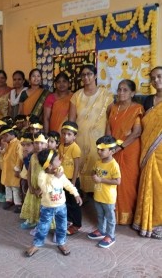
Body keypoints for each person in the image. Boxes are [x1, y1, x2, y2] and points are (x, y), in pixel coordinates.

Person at [25, 149, 82, 257]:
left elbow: (67, 184)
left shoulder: (60, 171)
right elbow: (46, 189)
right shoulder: (42, 175)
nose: (60, 161)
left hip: (61, 206)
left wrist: (76, 194)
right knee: (43, 226)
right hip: (47, 207)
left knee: (62, 226)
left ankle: (61, 242)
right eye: (57, 160)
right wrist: (56, 178)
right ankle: (37, 244)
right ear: (50, 166)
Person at [69, 64, 114, 193]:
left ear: (95, 76)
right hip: (80, 138)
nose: (86, 77)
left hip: (99, 139)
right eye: (83, 75)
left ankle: (96, 193)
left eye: (89, 74)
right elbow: (71, 120)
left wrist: (108, 140)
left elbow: (111, 119)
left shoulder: (106, 95)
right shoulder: (76, 96)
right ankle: (81, 192)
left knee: (97, 163)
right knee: (79, 164)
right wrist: (71, 138)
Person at [107, 79, 144, 225]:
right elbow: (108, 127)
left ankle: (127, 215)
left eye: (125, 90)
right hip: (114, 149)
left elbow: (136, 132)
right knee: (113, 181)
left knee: (127, 182)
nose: (121, 93)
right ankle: (114, 215)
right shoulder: (113, 108)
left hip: (130, 150)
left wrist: (120, 147)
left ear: (132, 93)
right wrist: (108, 145)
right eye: (119, 89)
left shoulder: (137, 108)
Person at [133, 66, 162, 240]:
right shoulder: (148, 101)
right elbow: (143, 123)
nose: (156, 80)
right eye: (153, 78)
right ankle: (147, 222)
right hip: (148, 148)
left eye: (159, 76)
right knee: (148, 183)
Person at [87, 135, 121, 249]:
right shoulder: (98, 162)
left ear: (112, 151)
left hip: (108, 198)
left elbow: (118, 181)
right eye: (98, 149)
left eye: (102, 150)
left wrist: (101, 179)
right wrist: (93, 175)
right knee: (100, 215)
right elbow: (93, 171)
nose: (99, 152)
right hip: (98, 195)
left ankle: (110, 236)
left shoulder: (113, 165)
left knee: (110, 218)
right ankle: (101, 231)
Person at [20, 132, 48, 230]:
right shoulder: (32, 156)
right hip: (33, 185)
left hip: (43, 188)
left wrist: (41, 189)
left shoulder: (47, 158)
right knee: (32, 204)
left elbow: (49, 175)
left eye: (41, 143)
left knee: (42, 206)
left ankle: (41, 223)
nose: (39, 145)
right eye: (36, 143)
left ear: (46, 144)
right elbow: (29, 172)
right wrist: (30, 186)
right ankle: (32, 220)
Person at [58, 121, 82, 235]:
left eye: (69, 134)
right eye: (63, 134)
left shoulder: (75, 148)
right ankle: (69, 220)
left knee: (74, 203)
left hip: (72, 180)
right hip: (63, 178)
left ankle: (77, 224)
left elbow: (77, 166)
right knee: (65, 201)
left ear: (74, 136)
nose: (65, 136)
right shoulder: (61, 146)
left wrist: (73, 182)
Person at [0, 125, 23, 213]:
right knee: (7, 185)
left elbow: (19, 158)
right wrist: (3, 147)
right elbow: (4, 154)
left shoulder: (18, 144)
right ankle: (9, 200)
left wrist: (17, 169)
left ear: (7, 135)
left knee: (15, 187)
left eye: (4, 137)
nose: (3, 139)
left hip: (14, 170)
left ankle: (18, 203)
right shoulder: (8, 144)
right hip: (7, 169)